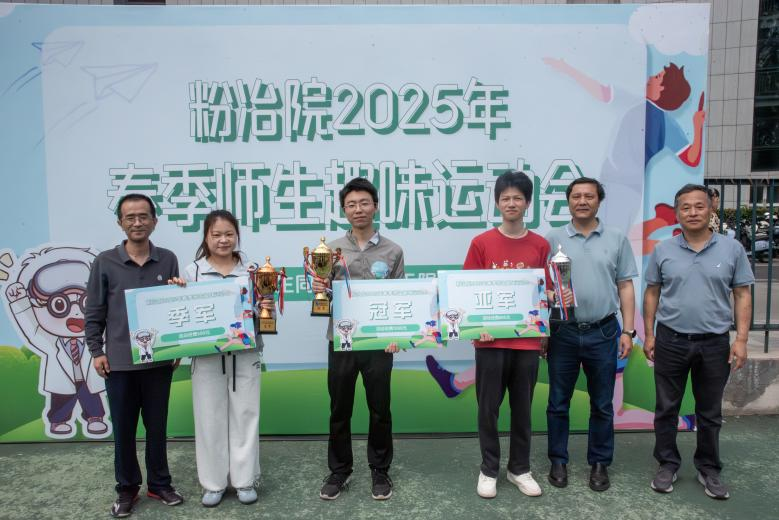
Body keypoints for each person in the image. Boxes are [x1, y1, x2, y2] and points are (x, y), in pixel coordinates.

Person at [643, 184, 752, 499]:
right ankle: (667, 463)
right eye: (685, 207)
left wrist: (741, 339)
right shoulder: (663, 250)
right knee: (666, 408)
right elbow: (652, 292)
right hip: (671, 340)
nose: (692, 212)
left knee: (709, 411)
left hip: (714, 343)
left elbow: (742, 294)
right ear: (677, 213)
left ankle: (709, 468)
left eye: (699, 206)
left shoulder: (732, 249)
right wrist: (649, 334)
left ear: (710, 208)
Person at [85, 194, 184, 518]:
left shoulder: (168, 259)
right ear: (120, 223)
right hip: (119, 364)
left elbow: (173, 308)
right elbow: (94, 311)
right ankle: (127, 489)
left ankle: (159, 484)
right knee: (124, 431)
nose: (137, 222)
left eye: (144, 216)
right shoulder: (105, 262)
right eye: (130, 217)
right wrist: (96, 351)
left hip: (158, 361)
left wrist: (177, 346)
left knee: (157, 428)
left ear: (154, 221)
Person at [168, 209, 273, 507]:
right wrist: (177, 293)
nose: (223, 240)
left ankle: (244, 481)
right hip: (206, 358)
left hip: (245, 353)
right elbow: (183, 313)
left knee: (246, 415)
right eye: (216, 235)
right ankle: (213, 483)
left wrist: (265, 303)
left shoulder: (253, 270)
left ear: (237, 235)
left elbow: (265, 314)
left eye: (229, 234)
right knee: (208, 418)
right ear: (206, 237)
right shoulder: (192, 272)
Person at [313, 177, 404, 501]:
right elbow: (323, 295)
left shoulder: (393, 250)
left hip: (379, 343)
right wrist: (320, 290)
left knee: (380, 409)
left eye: (364, 202)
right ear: (344, 210)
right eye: (351, 204)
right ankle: (340, 470)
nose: (358, 209)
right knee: (340, 408)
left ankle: (380, 469)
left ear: (375, 206)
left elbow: (400, 297)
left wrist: (396, 335)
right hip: (342, 341)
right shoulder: (330, 250)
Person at [545, 177, 637, 492]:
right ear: (568, 201)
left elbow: (625, 285)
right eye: (576, 196)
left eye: (589, 196)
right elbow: (541, 287)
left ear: (599, 200)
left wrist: (628, 330)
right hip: (563, 333)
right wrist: (552, 298)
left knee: (602, 404)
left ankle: (599, 463)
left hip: (604, 330)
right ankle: (558, 460)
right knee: (558, 402)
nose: (582, 201)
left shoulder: (616, 238)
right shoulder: (553, 239)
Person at [463, 170, 551, 499]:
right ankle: (489, 469)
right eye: (505, 198)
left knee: (523, 409)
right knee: (488, 408)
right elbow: (467, 291)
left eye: (517, 198)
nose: (511, 203)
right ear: (497, 203)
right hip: (490, 341)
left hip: (527, 342)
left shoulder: (541, 245)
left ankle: (519, 468)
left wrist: (545, 333)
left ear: (527, 203)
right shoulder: (481, 243)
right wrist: (477, 329)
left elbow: (546, 293)